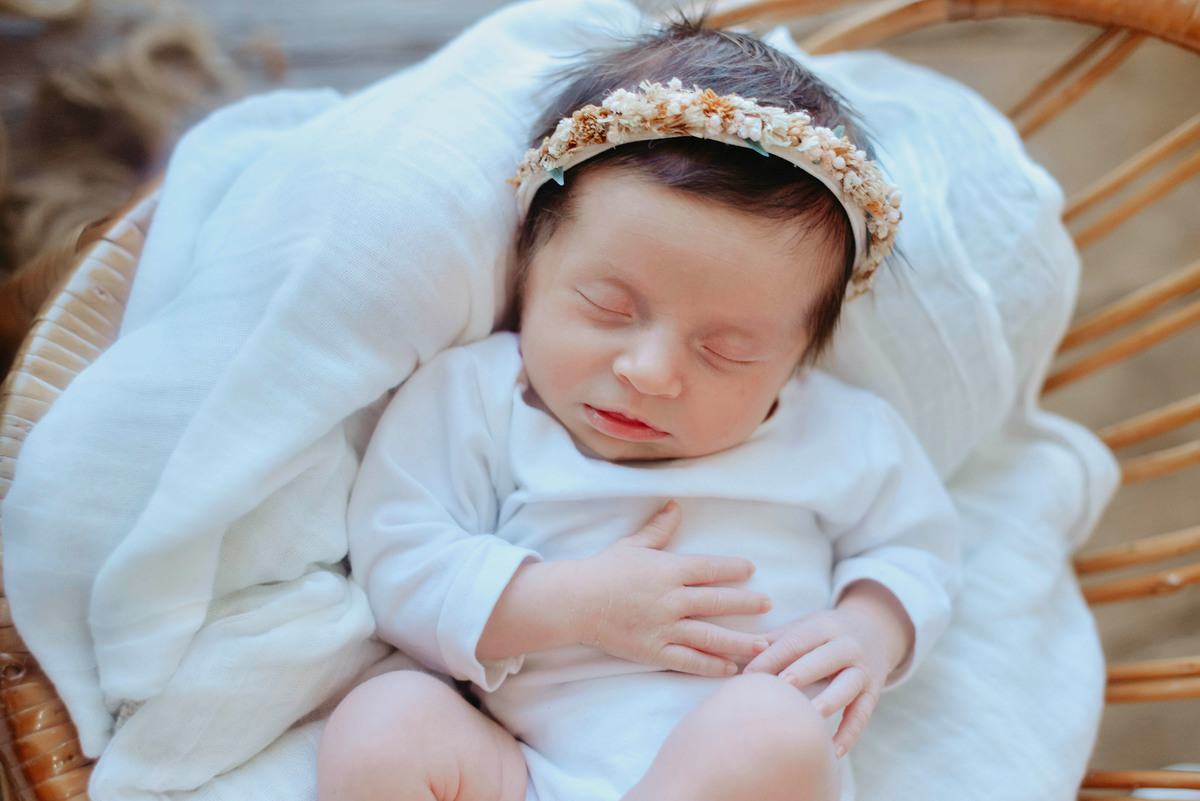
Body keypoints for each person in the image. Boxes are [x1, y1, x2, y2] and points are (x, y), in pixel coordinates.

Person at [318, 18, 959, 801]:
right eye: (607, 306)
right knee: (385, 720)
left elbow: (917, 550)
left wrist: (869, 629)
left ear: (799, 356)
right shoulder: (481, 397)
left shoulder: (844, 434)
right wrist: (572, 605)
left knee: (773, 724)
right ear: (530, 261)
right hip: (523, 771)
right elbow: (399, 557)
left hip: (741, 779)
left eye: (726, 350)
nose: (650, 372)